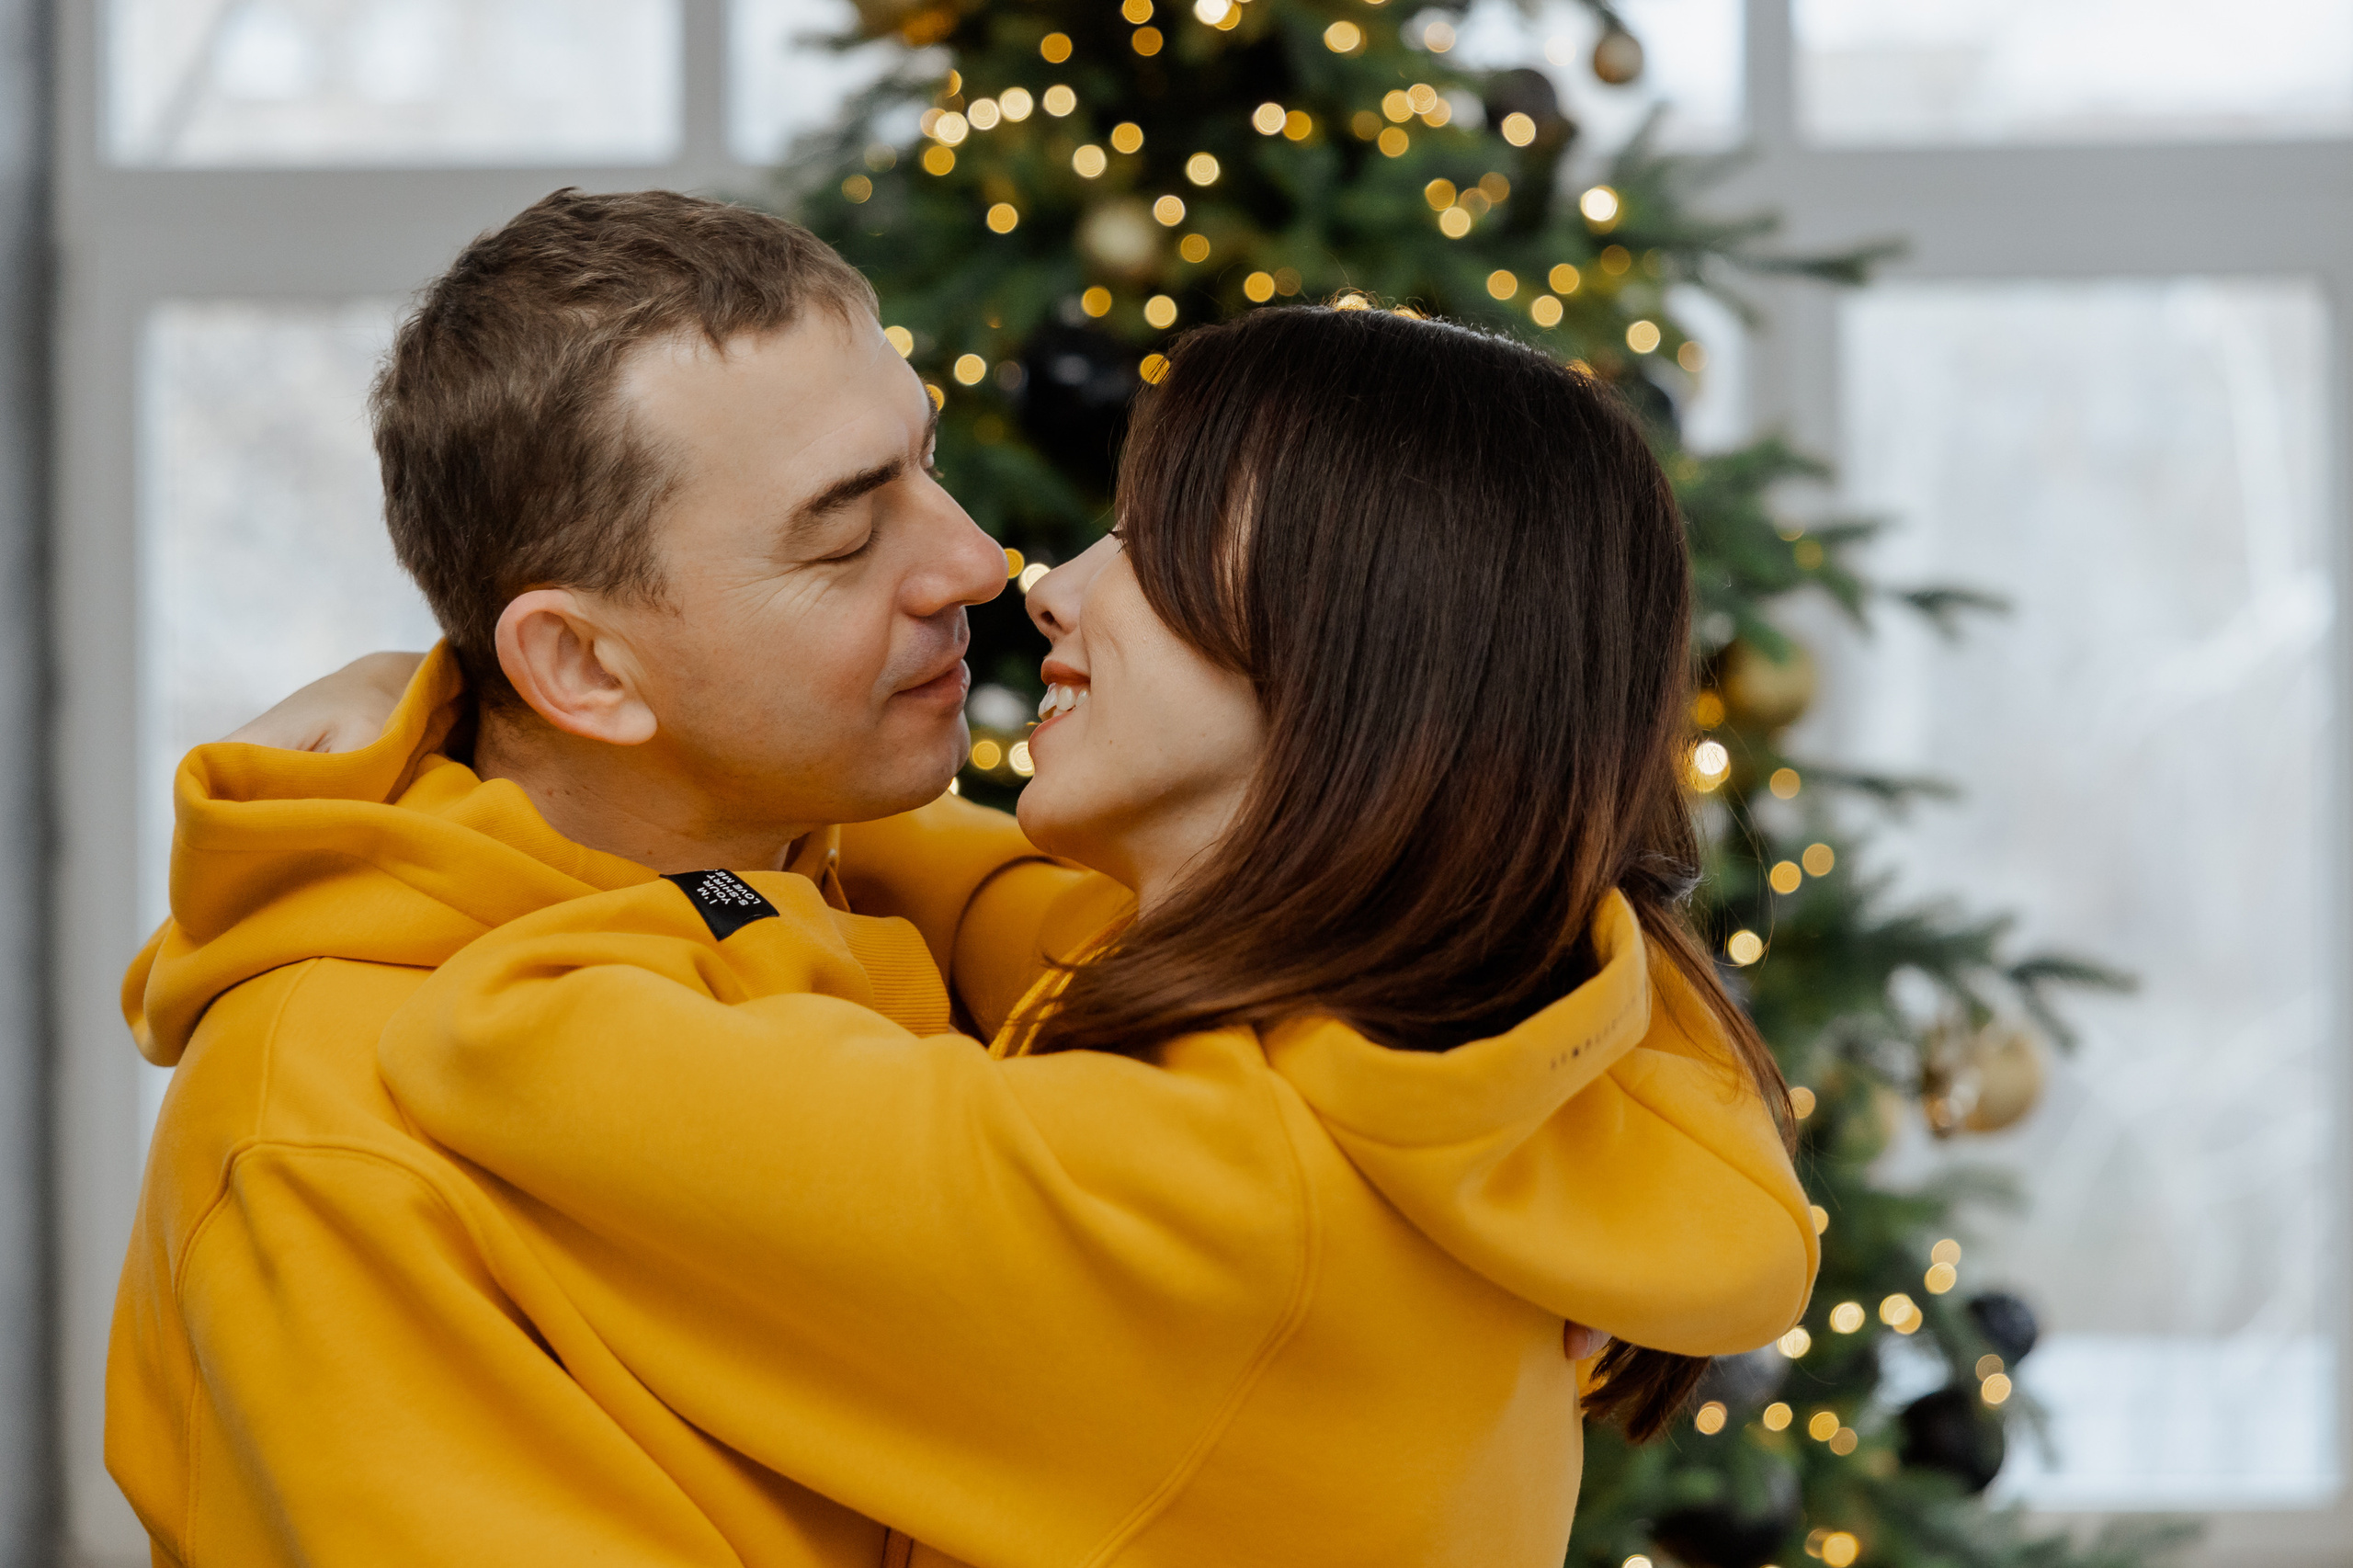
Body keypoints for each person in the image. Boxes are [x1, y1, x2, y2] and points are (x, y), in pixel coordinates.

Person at [356, 305, 1818, 1565]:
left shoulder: (1190, 1195)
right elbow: (1015, 910)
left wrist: (436, 764)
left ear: (1349, 658)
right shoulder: (1436, 1068)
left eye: (1159, 546)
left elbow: (512, 1029)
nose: (1046, 580)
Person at [108, 187, 1105, 1566]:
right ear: (583, 668)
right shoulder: (326, 1130)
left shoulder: (822, 875)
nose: (977, 561)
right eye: (843, 529)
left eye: (921, 465)